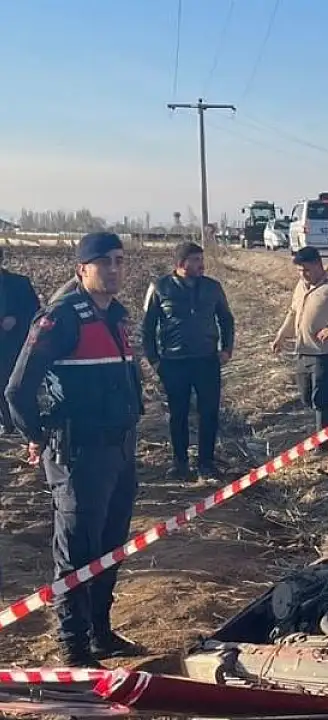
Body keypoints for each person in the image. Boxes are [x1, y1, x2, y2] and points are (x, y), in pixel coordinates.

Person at [4, 232, 145, 667]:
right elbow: (17, 390)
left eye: (119, 260)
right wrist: (37, 436)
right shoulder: (61, 318)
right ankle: (75, 647)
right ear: (82, 269)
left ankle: (100, 632)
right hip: (79, 454)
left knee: (110, 547)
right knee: (78, 552)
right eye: (105, 262)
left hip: (120, 450)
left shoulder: (117, 316)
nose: (114, 269)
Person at [141, 242, 235, 482]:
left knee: (209, 413)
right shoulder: (160, 288)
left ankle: (206, 463)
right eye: (195, 260)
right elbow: (148, 327)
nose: (201, 264)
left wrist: (226, 349)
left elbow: (226, 319)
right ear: (181, 264)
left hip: (207, 360)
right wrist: (154, 360)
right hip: (174, 362)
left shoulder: (212, 288)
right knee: (178, 414)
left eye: (201, 259)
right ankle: (180, 463)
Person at [271, 246, 328, 451]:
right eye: (299, 271)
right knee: (308, 398)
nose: (303, 275)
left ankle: (322, 446)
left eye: (306, 270)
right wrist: (281, 335)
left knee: (320, 399)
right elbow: (293, 312)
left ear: (318, 265)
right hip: (304, 351)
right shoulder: (300, 287)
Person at [0, 247, 41, 435]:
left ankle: (17, 423)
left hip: (13, 346)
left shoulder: (19, 284)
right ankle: (6, 423)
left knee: (12, 386)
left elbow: (36, 314)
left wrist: (16, 319)